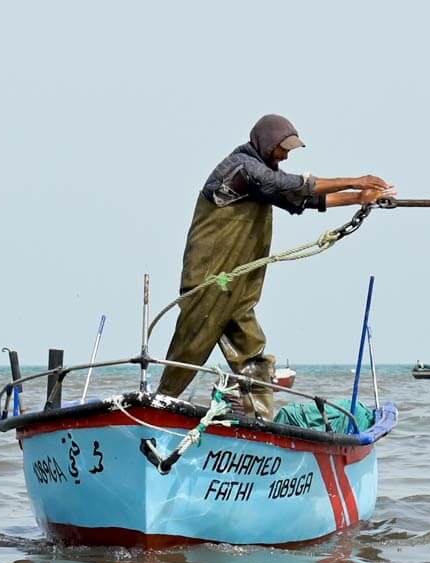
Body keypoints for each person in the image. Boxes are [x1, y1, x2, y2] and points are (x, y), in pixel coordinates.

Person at [157, 115, 392, 419]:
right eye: (282, 149)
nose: (285, 155)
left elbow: (303, 200)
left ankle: (261, 422)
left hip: (237, 284)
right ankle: (158, 406)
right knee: (192, 342)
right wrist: (354, 180)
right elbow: (289, 184)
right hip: (212, 279)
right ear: (266, 144)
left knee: (251, 349)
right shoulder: (242, 168)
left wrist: (359, 198)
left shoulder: (262, 177)